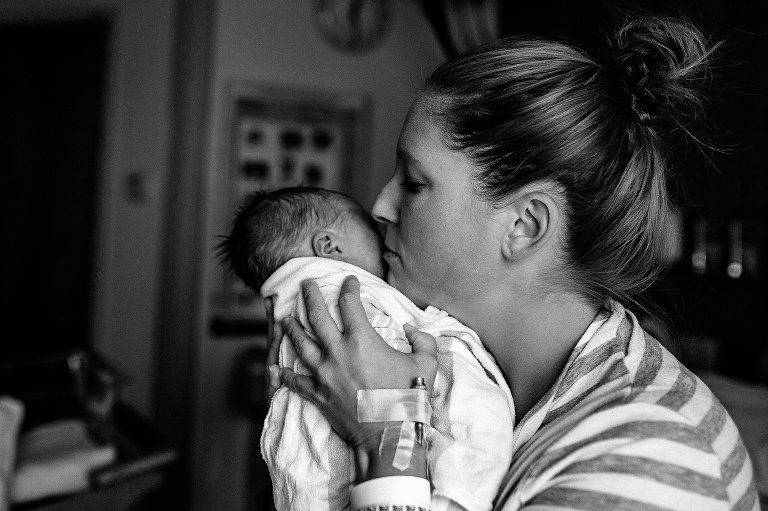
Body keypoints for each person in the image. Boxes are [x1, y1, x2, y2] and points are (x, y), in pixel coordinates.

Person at [268, 16, 761, 511]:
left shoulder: (645, 460)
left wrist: (385, 435)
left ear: (524, 225)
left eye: (415, 184)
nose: (379, 206)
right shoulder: (468, 375)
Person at [218, 186, 515, 511]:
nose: (382, 214)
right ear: (329, 246)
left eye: (414, 184)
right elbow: (396, 369)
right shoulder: (343, 299)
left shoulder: (300, 312)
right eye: (372, 230)